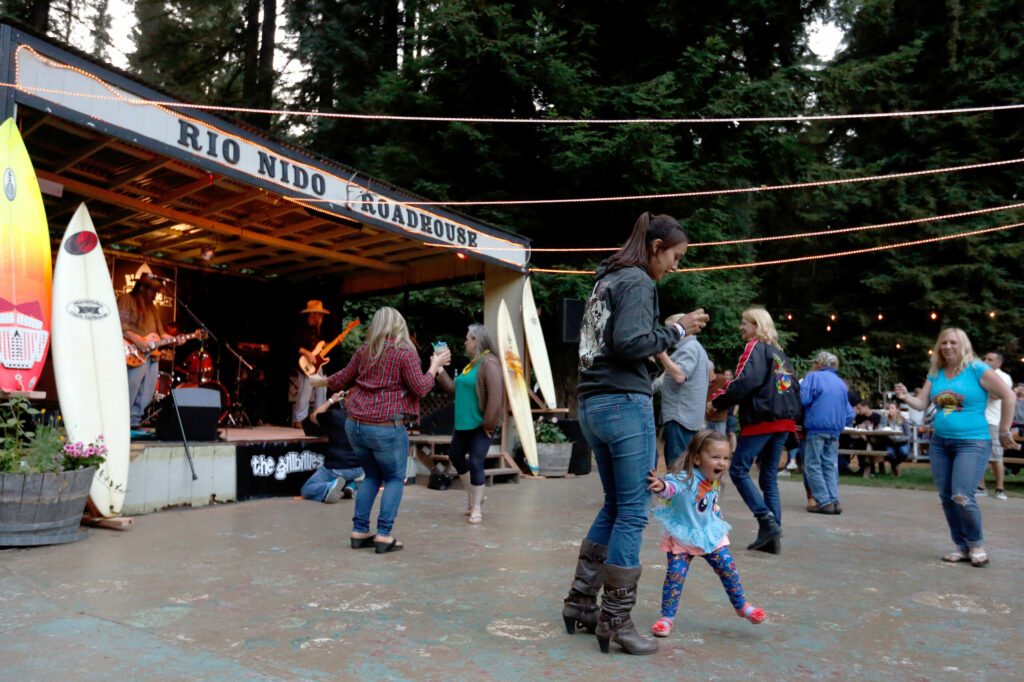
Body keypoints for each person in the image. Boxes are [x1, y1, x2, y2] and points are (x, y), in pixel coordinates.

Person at [562, 211, 708, 656]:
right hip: (624, 405)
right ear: (656, 247)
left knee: (614, 504)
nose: (676, 267)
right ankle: (616, 621)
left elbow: (612, 342)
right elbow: (630, 343)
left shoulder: (606, 280)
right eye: (676, 257)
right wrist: (678, 329)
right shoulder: (639, 282)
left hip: (593, 405)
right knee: (632, 512)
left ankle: (582, 603)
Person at [319, 307, 451, 554]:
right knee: (393, 479)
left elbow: (341, 378)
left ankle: (359, 531)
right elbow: (421, 388)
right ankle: (383, 535)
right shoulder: (405, 353)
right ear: (399, 325)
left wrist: (318, 379)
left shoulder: (364, 351)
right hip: (386, 428)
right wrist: (435, 365)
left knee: (370, 476)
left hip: (355, 425)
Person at [893, 328, 1019, 567]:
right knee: (947, 498)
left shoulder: (977, 369)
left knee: (962, 495)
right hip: (940, 442)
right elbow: (922, 404)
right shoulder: (937, 372)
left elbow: (1009, 396)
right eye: (943, 343)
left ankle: (977, 544)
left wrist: (1004, 431)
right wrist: (906, 397)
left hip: (973, 442)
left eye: (953, 342)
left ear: (963, 345)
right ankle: (961, 547)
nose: (948, 346)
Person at [646, 431, 766, 639]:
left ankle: (741, 605)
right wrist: (662, 486)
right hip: (683, 537)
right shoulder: (686, 478)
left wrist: (716, 512)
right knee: (674, 576)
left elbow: (709, 502)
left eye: (726, 458)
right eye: (715, 457)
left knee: (728, 569)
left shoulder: (714, 479)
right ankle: (667, 618)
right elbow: (671, 488)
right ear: (697, 458)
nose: (722, 462)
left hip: (710, 534)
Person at [710, 308, 801, 555]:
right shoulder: (780, 354)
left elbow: (744, 383)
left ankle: (765, 520)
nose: (741, 327)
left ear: (757, 326)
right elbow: (793, 387)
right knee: (768, 477)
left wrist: (717, 402)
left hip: (763, 418)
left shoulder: (755, 348)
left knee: (738, 469)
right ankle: (773, 536)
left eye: (744, 323)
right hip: (785, 420)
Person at [435, 323, 504, 524]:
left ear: (476, 341)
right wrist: (438, 369)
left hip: (482, 424)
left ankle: (476, 508)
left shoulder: (489, 363)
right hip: (464, 424)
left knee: (475, 462)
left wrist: (489, 424)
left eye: (468, 339)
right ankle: (474, 495)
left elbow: (495, 395)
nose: (465, 342)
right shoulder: (471, 365)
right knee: (455, 456)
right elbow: (454, 389)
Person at [800, 351, 854, 514]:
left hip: (816, 428)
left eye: (814, 362)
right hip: (834, 430)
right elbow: (850, 414)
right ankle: (834, 500)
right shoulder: (840, 383)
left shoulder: (812, 377)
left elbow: (803, 400)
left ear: (819, 364)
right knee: (830, 464)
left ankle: (823, 501)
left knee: (812, 465)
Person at [118, 273, 175, 428]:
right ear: (142, 288)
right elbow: (121, 326)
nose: (155, 295)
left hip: (151, 355)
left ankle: (135, 422)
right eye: (153, 291)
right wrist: (138, 341)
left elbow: (161, 333)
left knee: (148, 392)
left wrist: (178, 339)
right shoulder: (125, 300)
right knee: (132, 387)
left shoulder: (153, 308)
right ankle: (122, 422)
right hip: (134, 352)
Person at [656, 316, 710, 468]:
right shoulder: (693, 348)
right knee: (685, 465)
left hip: (680, 417)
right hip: (687, 417)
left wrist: (662, 355)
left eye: (672, 330)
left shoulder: (689, 349)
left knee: (677, 467)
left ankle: (679, 492)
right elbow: (663, 380)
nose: (670, 336)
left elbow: (679, 375)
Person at [299, 390, 363, 503]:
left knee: (307, 489)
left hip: (338, 467)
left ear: (346, 400)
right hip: (360, 468)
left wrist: (331, 400)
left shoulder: (334, 414)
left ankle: (328, 488)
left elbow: (314, 417)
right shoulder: (367, 418)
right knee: (349, 470)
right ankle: (350, 485)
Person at [978, 351, 1012, 499]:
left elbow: (997, 396)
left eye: (990, 359)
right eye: (985, 358)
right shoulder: (980, 374)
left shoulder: (1004, 377)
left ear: (999, 363)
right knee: (978, 455)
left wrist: (982, 387)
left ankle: (1000, 488)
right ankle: (980, 487)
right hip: (978, 419)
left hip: (993, 421)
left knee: (996, 456)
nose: (986, 361)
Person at [293, 300, 330, 427]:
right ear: (312, 314)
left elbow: (320, 347)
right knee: (305, 391)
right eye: (319, 314)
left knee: (322, 390)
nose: (321, 317)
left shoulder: (317, 329)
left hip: (317, 365)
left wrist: (334, 343)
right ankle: (300, 420)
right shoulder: (301, 328)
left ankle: (319, 418)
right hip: (306, 365)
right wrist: (307, 353)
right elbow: (293, 344)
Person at [880, 400, 912, 476]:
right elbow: (881, 429)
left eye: (892, 408)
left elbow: (908, 435)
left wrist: (899, 439)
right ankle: (896, 468)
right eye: (888, 408)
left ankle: (894, 467)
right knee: (889, 453)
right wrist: (885, 418)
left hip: (902, 442)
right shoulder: (885, 419)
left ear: (897, 410)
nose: (890, 410)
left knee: (904, 452)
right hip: (890, 442)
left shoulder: (903, 420)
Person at [704, 363, 729, 435]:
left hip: (719, 419)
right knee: (707, 442)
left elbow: (730, 396)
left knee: (719, 441)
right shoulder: (704, 382)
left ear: (709, 370)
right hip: (707, 419)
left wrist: (717, 405)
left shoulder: (722, 379)